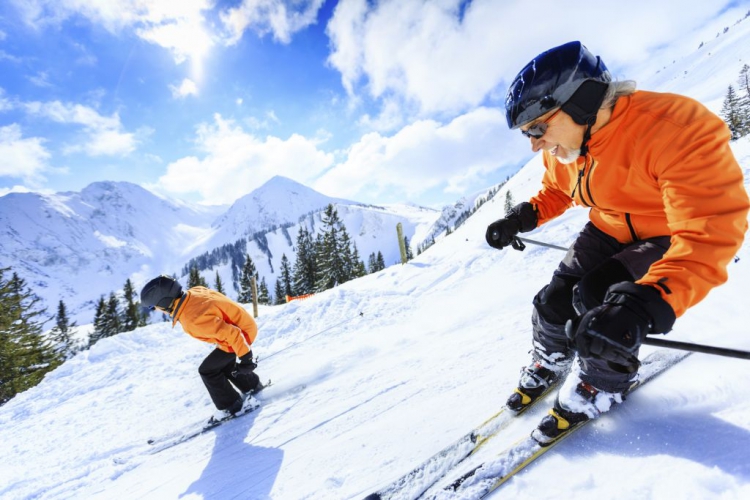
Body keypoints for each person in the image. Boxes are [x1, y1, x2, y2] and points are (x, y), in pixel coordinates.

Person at [486, 41, 749, 444]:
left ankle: (601, 382)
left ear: (582, 101)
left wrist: (646, 303)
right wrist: (519, 218)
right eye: (527, 134)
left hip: (666, 233)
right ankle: (551, 358)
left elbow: (709, 228)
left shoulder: (674, 128)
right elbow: (558, 191)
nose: (535, 144)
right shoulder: (564, 148)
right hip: (607, 227)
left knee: (600, 301)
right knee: (553, 299)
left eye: (537, 128)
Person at [140, 275, 264, 422]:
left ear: (164, 302)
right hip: (243, 323)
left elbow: (233, 334)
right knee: (221, 363)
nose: (157, 310)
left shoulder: (192, 318)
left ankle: (233, 406)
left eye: (155, 306)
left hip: (241, 333)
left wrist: (246, 358)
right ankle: (251, 386)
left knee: (208, 370)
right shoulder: (194, 292)